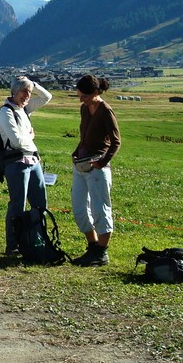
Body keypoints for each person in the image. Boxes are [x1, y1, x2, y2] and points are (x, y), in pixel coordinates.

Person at [70, 74, 122, 267]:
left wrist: (103, 161)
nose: (81, 99)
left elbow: (116, 142)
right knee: (79, 208)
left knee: (100, 208)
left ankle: (102, 252)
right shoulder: (84, 109)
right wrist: (76, 152)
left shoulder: (106, 111)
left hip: (97, 167)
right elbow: (84, 136)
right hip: (81, 164)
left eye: (84, 96)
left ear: (94, 93)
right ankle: (92, 246)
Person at [0, 76, 54, 240]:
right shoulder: (6, 112)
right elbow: (16, 141)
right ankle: (14, 242)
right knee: (18, 205)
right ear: (14, 91)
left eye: (29, 92)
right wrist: (30, 136)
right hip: (16, 163)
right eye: (24, 91)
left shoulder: (24, 109)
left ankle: (36, 239)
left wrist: (33, 84)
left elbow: (46, 97)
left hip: (33, 161)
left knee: (40, 204)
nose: (27, 95)